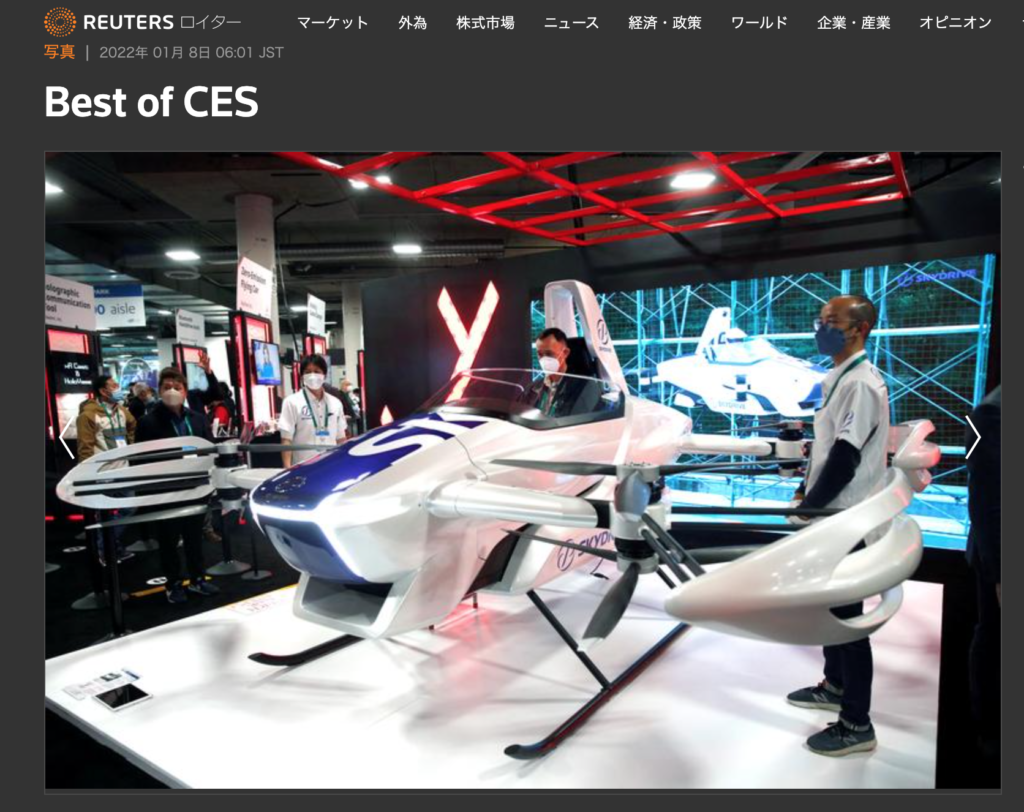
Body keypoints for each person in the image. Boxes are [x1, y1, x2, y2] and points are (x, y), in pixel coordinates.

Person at [786, 294, 890, 757]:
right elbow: (829, 450)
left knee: (848, 623)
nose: (821, 328)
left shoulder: (861, 385)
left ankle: (856, 724)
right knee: (831, 609)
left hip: (847, 519)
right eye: (821, 319)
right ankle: (835, 685)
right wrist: (805, 493)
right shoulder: (841, 378)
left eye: (831, 321)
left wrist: (809, 508)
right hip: (834, 516)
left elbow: (846, 459)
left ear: (859, 329)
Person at [135, 367, 220, 604]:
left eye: (177, 387)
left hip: (196, 488)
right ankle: (173, 583)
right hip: (166, 492)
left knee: (194, 538)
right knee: (168, 541)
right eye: (167, 387)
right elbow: (140, 461)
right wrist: (148, 496)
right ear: (159, 390)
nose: (172, 391)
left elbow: (210, 450)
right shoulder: (148, 422)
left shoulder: (197, 419)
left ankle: (197, 579)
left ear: (184, 391)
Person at [965, 385, 1000, 766]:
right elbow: (986, 501)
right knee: (993, 638)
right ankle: (990, 735)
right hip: (997, 553)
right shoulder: (989, 413)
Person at [76, 374, 138, 564]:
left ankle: (107, 543)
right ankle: (106, 549)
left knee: (130, 508)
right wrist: (87, 474)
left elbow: (132, 425)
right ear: (103, 391)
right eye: (114, 385)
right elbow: (85, 447)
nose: (118, 388)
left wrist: (130, 448)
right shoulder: (88, 415)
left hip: (123, 469)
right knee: (104, 512)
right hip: (102, 474)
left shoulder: (121, 410)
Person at [279, 355, 345, 467]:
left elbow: (341, 438)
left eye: (317, 371)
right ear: (302, 376)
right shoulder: (291, 402)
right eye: (308, 372)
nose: (312, 375)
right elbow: (286, 439)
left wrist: (343, 464)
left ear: (324, 375)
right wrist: (287, 468)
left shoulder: (335, 403)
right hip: (303, 466)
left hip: (331, 465)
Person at [528, 327, 597, 418]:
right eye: (540, 354)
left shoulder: (583, 389)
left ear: (565, 353)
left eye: (549, 354)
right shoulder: (533, 388)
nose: (544, 359)